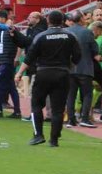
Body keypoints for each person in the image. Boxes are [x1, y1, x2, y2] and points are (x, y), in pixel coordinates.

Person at [14, 10, 81, 147]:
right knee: (58, 109)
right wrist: (69, 66)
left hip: (43, 73)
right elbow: (78, 56)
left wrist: (19, 73)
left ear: (48, 21)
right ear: (62, 21)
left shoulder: (41, 36)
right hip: (62, 74)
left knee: (36, 105)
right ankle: (54, 140)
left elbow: (29, 57)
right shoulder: (70, 36)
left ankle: (38, 135)